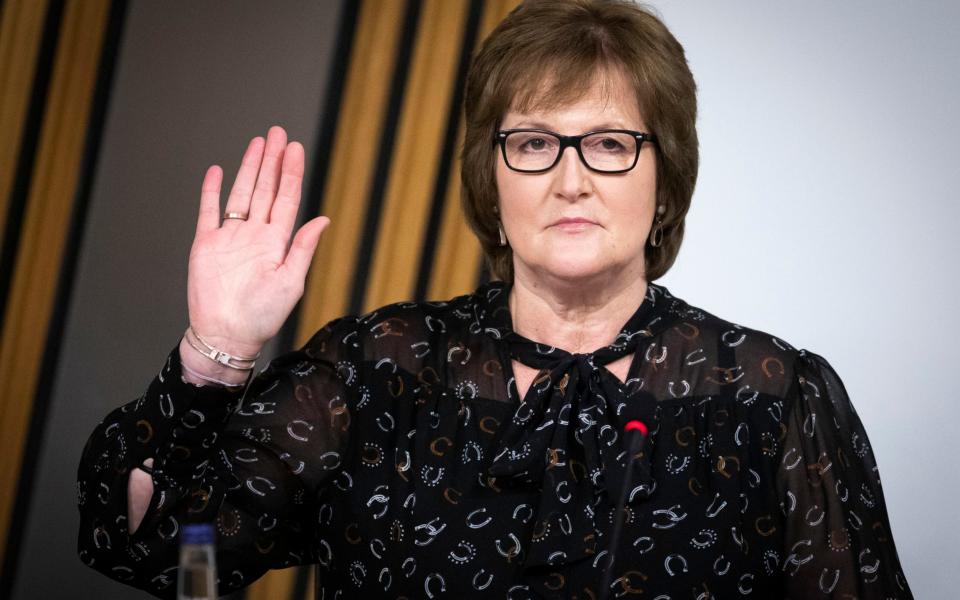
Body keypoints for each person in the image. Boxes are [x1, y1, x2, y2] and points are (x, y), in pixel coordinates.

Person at [77, 1, 913, 598]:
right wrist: (213, 350)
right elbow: (160, 552)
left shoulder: (772, 394)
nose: (572, 178)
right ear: (492, 180)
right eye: (536, 142)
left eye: (612, 143)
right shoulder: (372, 371)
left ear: (666, 186)